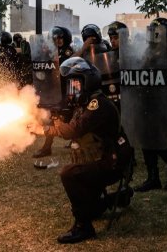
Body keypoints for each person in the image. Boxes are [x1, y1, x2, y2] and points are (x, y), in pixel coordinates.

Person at [42, 57, 133, 243]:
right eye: (70, 84)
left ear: (87, 82)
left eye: (75, 83)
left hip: (113, 162)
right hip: (105, 158)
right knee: (90, 209)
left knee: (69, 174)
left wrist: (48, 127)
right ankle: (119, 197)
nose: (72, 88)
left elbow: (73, 130)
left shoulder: (97, 104)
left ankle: (83, 228)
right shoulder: (86, 103)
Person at [134, 17, 167, 192]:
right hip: (148, 100)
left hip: (162, 101)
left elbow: (166, 75)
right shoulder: (149, 51)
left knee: (156, 138)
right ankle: (153, 177)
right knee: (147, 139)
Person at [33, 26, 74, 158]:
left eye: (60, 37)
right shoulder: (50, 52)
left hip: (67, 89)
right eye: (55, 38)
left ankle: (78, 141)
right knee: (50, 119)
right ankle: (47, 147)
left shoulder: (68, 51)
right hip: (54, 90)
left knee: (72, 117)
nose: (58, 40)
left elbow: (67, 62)